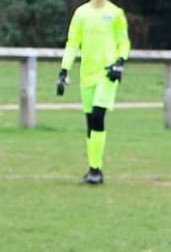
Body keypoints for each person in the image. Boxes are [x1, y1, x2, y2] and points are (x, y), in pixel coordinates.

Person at [57, 0, 131, 186]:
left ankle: (96, 171)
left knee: (98, 116)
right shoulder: (81, 13)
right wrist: (64, 70)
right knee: (90, 121)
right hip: (87, 74)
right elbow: (73, 43)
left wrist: (120, 62)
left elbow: (123, 42)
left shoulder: (115, 13)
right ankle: (94, 169)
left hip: (107, 73)